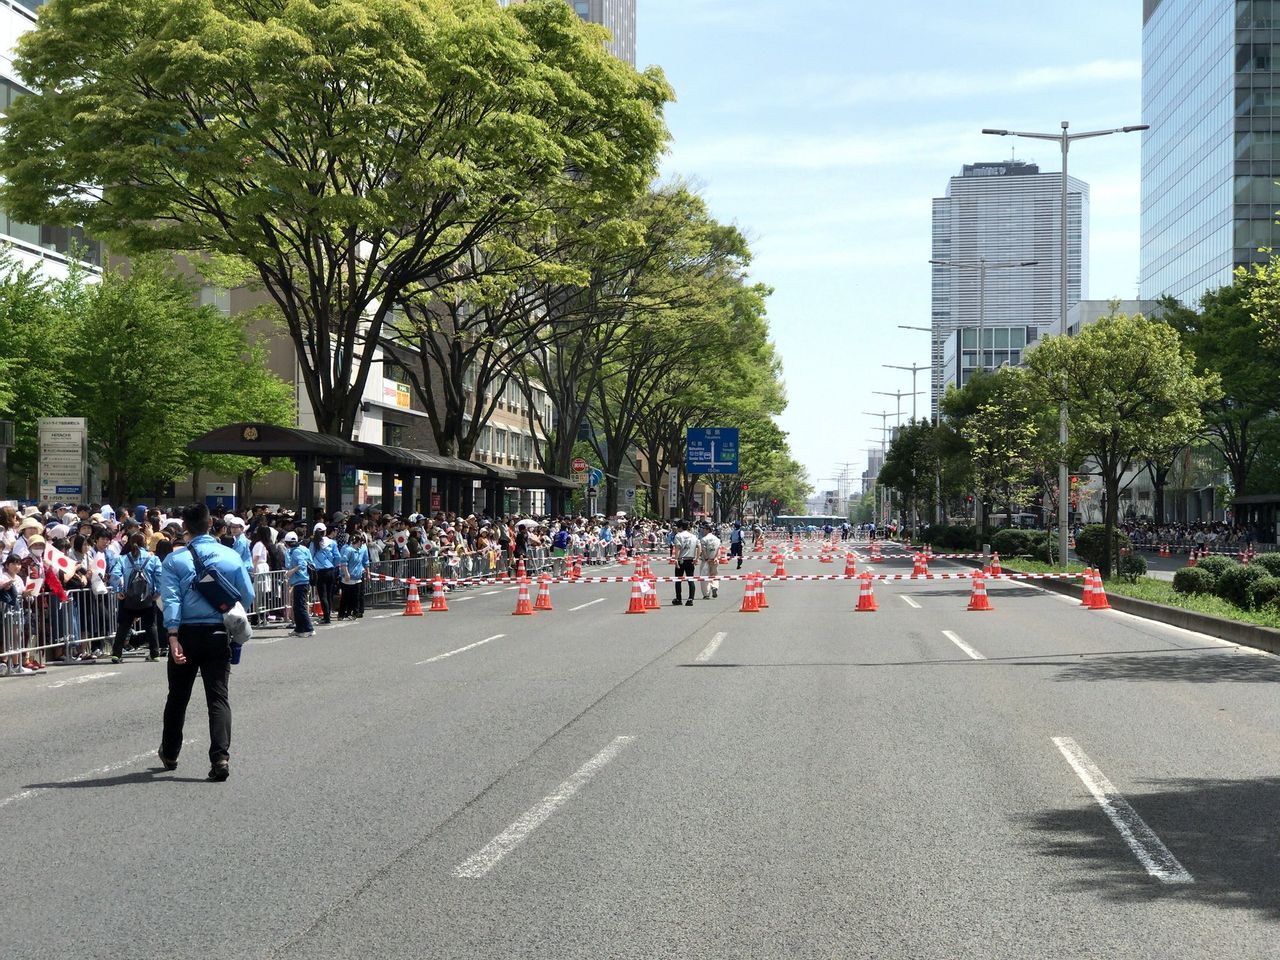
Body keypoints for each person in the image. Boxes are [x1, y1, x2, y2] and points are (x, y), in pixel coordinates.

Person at [158, 504, 256, 782]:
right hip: (217, 632)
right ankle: (220, 757)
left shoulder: (175, 561)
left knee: (178, 696)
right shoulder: (230, 555)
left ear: (185, 529)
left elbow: (172, 601)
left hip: (187, 633)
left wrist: (173, 635)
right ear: (211, 525)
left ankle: (171, 752)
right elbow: (246, 595)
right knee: (218, 697)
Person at [112, 533, 162, 663]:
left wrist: (118, 590)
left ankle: (116, 654)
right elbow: (160, 575)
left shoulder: (123, 558)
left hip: (128, 597)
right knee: (151, 625)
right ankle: (155, 653)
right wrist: (158, 591)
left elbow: (115, 574)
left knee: (124, 626)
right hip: (148, 598)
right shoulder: (153, 558)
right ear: (145, 543)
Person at [284, 531, 315, 637]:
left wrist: (291, 572)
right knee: (298, 606)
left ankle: (309, 628)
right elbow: (310, 561)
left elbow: (302, 564)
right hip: (303, 580)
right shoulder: (304, 549)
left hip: (300, 580)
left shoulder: (296, 551)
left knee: (300, 606)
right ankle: (299, 628)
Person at [308, 523, 339, 625]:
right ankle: (328, 615)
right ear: (325, 531)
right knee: (329, 594)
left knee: (323, 595)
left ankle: (326, 617)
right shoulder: (332, 542)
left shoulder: (313, 544)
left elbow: (310, 558)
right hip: (330, 570)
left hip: (319, 571)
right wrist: (333, 566)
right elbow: (337, 557)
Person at [337, 533, 369, 620]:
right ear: (357, 542)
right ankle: (341, 614)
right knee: (345, 596)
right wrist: (346, 573)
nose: (361, 544)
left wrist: (366, 572)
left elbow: (363, 562)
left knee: (356, 597)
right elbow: (344, 562)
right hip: (348, 577)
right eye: (360, 542)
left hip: (357, 577)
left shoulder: (359, 550)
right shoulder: (348, 550)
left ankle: (354, 613)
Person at [670, 520, 699, 606]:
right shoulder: (693, 536)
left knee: (678, 579)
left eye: (678, 527)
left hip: (681, 559)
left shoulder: (678, 536)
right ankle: (690, 598)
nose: (677, 529)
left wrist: (676, 559)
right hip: (690, 559)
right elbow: (699, 546)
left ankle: (679, 598)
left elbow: (678, 548)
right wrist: (697, 558)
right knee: (690, 579)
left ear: (681, 527)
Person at [698, 522, 721, 599]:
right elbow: (718, 549)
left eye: (704, 529)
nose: (703, 530)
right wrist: (716, 557)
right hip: (714, 560)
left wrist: (707, 558)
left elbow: (703, 550)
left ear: (707, 530)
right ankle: (715, 586)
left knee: (705, 577)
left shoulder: (704, 539)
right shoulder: (717, 539)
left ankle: (706, 593)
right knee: (714, 575)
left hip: (706, 561)